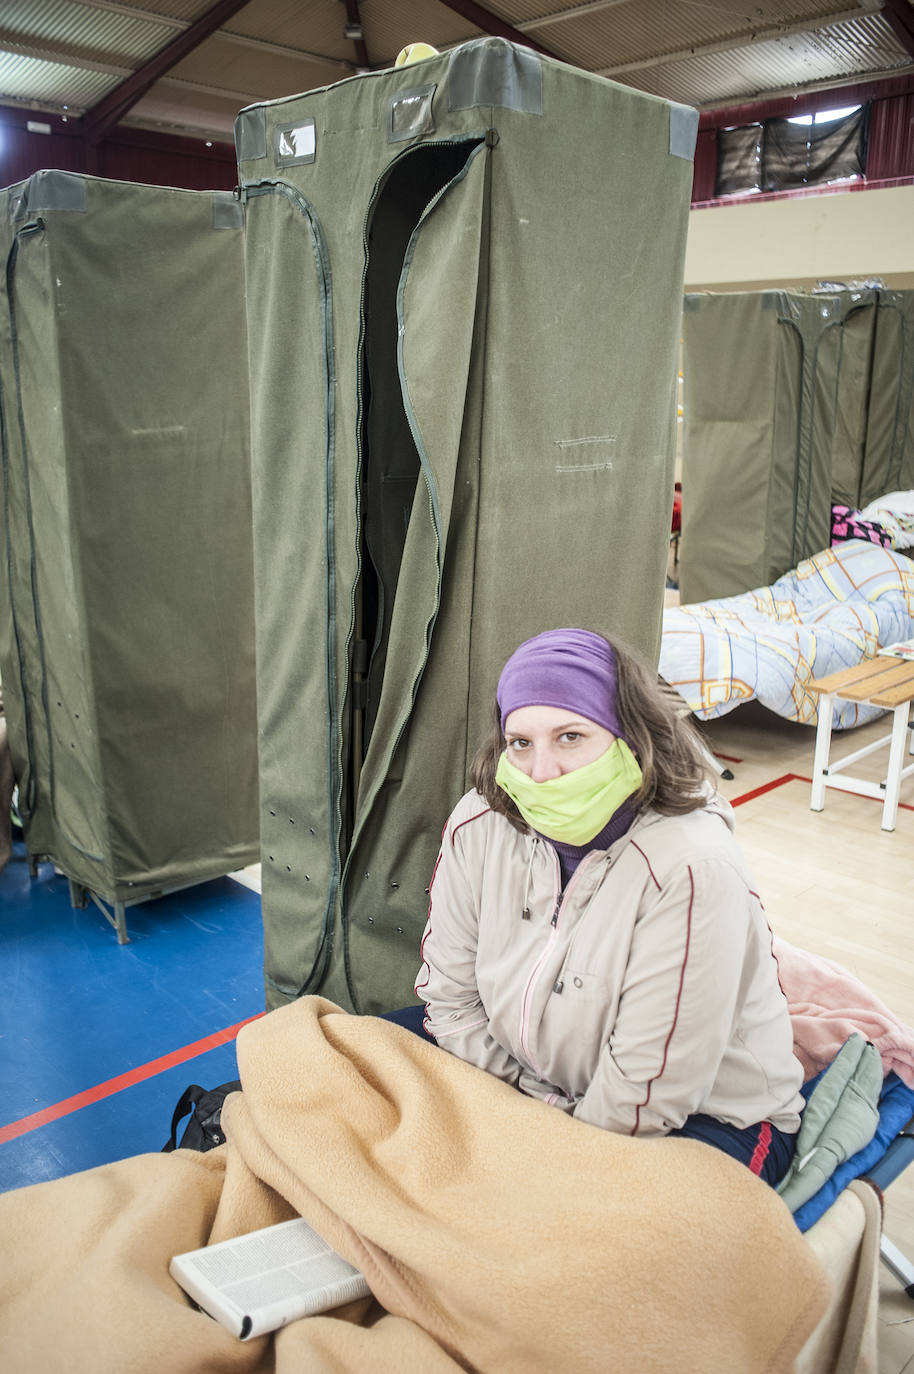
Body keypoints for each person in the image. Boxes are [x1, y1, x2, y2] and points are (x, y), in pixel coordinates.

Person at [414, 627, 805, 1186]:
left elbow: (644, 1096)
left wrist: (530, 1154)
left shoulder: (691, 869)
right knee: (338, 1069)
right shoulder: (480, 824)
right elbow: (451, 1003)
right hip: (529, 1081)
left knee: (577, 1247)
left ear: (630, 736)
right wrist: (528, 1107)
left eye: (570, 736)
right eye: (520, 743)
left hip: (695, 1120)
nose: (541, 771)